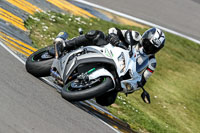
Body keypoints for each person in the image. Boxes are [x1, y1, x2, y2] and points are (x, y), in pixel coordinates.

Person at [53, 27, 165, 104]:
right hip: (108, 52)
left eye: (152, 48)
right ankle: (65, 44)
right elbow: (114, 30)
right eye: (147, 44)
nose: (147, 48)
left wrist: (137, 86)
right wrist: (114, 37)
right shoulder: (134, 36)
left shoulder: (151, 63)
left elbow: (143, 79)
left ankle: (85, 85)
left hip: (119, 73)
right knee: (96, 34)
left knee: (107, 100)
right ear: (144, 38)